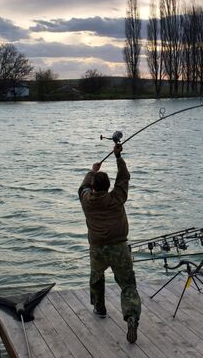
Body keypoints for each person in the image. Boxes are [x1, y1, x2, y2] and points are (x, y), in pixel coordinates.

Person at [78, 143, 141, 344]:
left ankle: (100, 308)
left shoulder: (87, 200)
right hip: (119, 247)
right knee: (127, 284)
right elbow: (123, 178)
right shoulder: (117, 198)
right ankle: (131, 315)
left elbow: (82, 187)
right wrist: (118, 157)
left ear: (94, 187)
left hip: (97, 248)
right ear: (108, 186)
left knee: (97, 277)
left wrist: (92, 171)